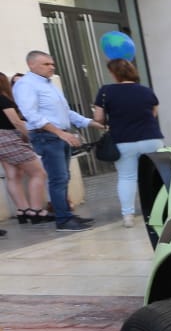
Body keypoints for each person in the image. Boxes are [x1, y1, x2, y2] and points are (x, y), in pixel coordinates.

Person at [13, 50, 104, 232]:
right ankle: (63, 220)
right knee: (58, 178)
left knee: (64, 178)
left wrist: (91, 123)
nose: (51, 67)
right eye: (46, 64)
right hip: (46, 136)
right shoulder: (26, 85)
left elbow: (66, 112)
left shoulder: (49, 84)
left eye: (52, 64)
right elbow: (31, 115)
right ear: (32, 65)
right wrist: (59, 133)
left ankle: (67, 215)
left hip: (59, 135)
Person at [92, 59, 164, 227]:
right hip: (151, 138)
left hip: (123, 140)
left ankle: (128, 216)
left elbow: (99, 118)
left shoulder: (106, 92)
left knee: (127, 177)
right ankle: (159, 212)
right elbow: (153, 113)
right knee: (154, 177)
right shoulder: (146, 91)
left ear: (114, 74)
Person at [0, 71, 45, 229]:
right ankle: (36, 211)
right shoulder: (3, 99)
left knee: (13, 175)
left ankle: (22, 210)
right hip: (10, 137)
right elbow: (17, 122)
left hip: (1, 142)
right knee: (38, 173)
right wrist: (27, 136)